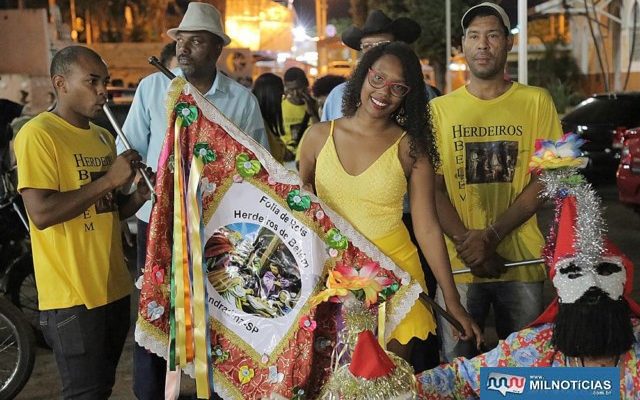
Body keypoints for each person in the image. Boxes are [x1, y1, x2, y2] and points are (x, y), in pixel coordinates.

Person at [299, 41, 482, 367]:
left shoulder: (411, 148)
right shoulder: (317, 136)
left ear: (408, 95)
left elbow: (426, 226)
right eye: (378, 79)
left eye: (398, 87)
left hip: (395, 280)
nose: (384, 92)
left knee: (385, 385)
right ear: (362, 76)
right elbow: (300, 207)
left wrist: (452, 301)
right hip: (331, 278)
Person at [120, 3, 269, 398]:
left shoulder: (241, 100)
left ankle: (217, 388)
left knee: (220, 311)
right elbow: (128, 147)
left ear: (217, 49)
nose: (184, 49)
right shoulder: (154, 88)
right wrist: (138, 184)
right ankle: (151, 392)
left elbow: (257, 167)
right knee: (155, 307)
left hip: (216, 224)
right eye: (181, 41)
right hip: (158, 218)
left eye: (196, 41)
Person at [417, 164, 640, 399]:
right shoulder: (532, 350)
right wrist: (394, 386)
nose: (592, 285)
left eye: (604, 272)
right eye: (576, 274)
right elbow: (461, 380)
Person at [13, 45, 151, 399]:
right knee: (84, 393)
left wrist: (138, 195)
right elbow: (42, 213)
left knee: (101, 388)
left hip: (113, 288)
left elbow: (110, 209)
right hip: (73, 296)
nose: (103, 90)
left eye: (104, 81)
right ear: (60, 83)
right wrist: (108, 179)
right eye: (92, 81)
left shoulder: (103, 137)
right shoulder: (39, 134)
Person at [431, 2, 563, 362]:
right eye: (474, 36)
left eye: (492, 35)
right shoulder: (439, 110)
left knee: (526, 366)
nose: (483, 45)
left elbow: (550, 176)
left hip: (521, 262)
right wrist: (469, 245)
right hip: (457, 268)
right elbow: (432, 187)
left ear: (508, 43)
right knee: (457, 371)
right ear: (463, 45)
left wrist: (491, 236)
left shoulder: (537, 102)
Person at [321, 9, 426, 122]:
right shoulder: (337, 95)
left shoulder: (421, 95)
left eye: (383, 45)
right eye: (367, 46)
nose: (375, 52)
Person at [281, 67, 318, 162]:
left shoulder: (315, 105)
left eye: (298, 88)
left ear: (306, 85)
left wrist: (312, 112)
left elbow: (320, 130)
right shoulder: (280, 106)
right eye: (290, 89)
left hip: (308, 158)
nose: (295, 93)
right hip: (287, 160)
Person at [253, 73, 287, 163]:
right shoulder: (258, 124)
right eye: (281, 95)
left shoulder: (262, 121)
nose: (283, 98)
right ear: (271, 96)